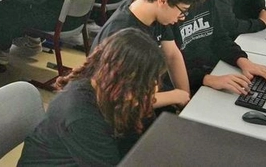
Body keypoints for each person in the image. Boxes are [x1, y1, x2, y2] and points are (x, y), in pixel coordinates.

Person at [18, 29, 166, 166]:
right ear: (125, 79)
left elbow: (140, 135)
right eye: (146, 83)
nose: (154, 87)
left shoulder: (108, 87)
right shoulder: (81, 115)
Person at [91, 0, 199, 109]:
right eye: (182, 10)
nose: (182, 17)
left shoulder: (153, 13)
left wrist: (185, 99)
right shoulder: (122, 35)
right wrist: (175, 96)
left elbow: (172, 55)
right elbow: (123, 99)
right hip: (118, 108)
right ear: (162, 0)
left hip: (145, 92)